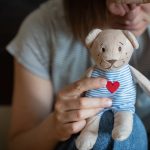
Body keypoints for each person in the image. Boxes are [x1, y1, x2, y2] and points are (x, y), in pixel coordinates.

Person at [6, 0, 150, 149]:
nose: (132, 15)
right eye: (120, 2)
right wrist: (54, 127)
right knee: (107, 123)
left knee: (130, 126)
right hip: (74, 140)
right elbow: (18, 145)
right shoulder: (44, 27)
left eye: (144, 1)